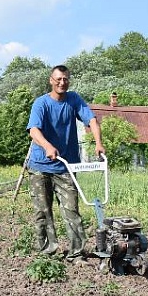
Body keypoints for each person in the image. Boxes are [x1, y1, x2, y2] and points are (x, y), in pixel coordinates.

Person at [25, 65, 105, 264]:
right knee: (42, 212)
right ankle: (46, 253)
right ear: (51, 80)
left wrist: (98, 143)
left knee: (71, 211)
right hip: (40, 165)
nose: (62, 82)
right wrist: (47, 146)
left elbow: (92, 120)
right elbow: (33, 130)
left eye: (66, 79)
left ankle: (76, 254)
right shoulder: (41, 103)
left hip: (66, 166)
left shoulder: (74, 99)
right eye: (58, 79)